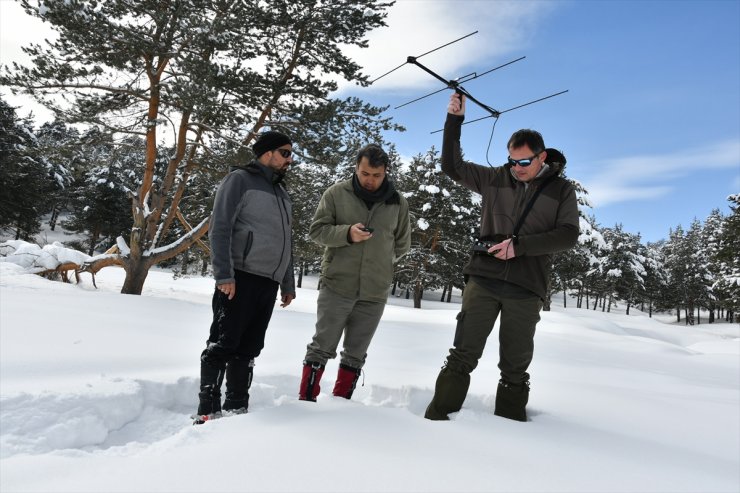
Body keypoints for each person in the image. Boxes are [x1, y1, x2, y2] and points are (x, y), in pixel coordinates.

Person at [424, 93, 579, 422]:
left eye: (524, 162)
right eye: (512, 161)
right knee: (462, 354)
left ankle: (510, 435)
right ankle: (437, 421)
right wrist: (454, 121)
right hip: (483, 278)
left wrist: (519, 246)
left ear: (542, 157)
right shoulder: (496, 179)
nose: (517, 168)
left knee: (515, 365)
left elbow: (569, 235)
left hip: (526, 287)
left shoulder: (561, 190)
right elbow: (452, 166)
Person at [194, 130, 296, 424]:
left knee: (249, 348)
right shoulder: (239, 180)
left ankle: (238, 409)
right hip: (238, 277)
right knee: (222, 344)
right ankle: (207, 411)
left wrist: (287, 282)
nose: (290, 159)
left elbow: (285, 241)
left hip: (268, 282)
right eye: (286, 153)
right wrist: (224, 274)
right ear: (267, 154)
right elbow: (221, 227)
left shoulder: (282, 193)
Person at [298, 144, 411, 402]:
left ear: (386, 172)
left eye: (376, 175)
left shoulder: (397, 202)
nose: (370, 180)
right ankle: (305, 403)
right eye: (364, 173)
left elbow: (402, 244)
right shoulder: (336, 193)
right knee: (321, 347)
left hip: (374, 292)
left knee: (356, 353)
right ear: (356, 169)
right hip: (337, 285)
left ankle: (341, 407)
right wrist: (347, 234)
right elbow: (317, 231)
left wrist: (378, 263)